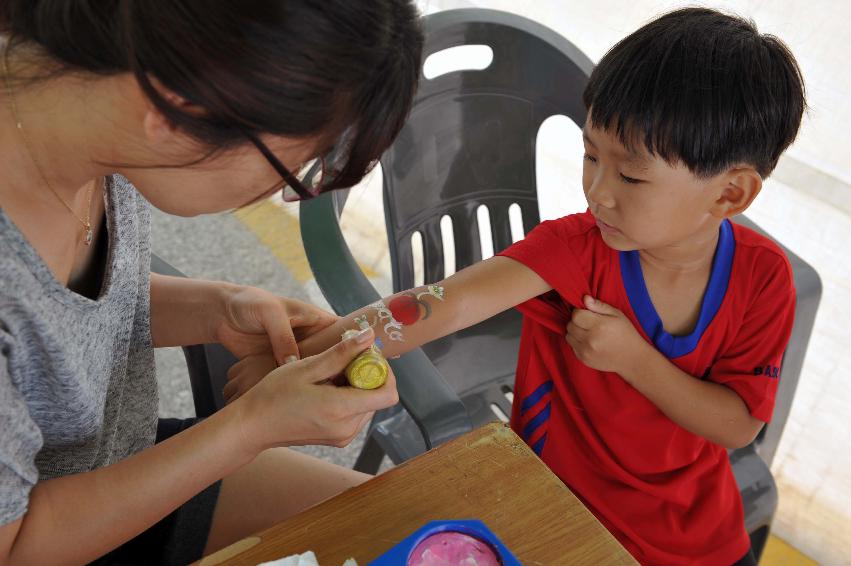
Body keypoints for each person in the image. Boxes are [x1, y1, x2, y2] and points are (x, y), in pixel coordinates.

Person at [228, 8, 806, 565]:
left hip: (691, 533)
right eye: (589, 156)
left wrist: (633, 359)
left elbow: (736, 425)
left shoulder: (762, 279)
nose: (597, 191)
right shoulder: (576, 249)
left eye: (630, 174)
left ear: (731, 195)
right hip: (552, 503)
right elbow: (436, 308)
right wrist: (296, 361)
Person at [0, 1, 422, 564]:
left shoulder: (91, 118)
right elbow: (16, 546)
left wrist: (217, 309)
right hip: (45, 532)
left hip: (124, 466)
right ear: (178, 108)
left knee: (413, 534)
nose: (279, 193)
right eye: (291, 172)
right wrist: (250, 427)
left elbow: (53, 320)